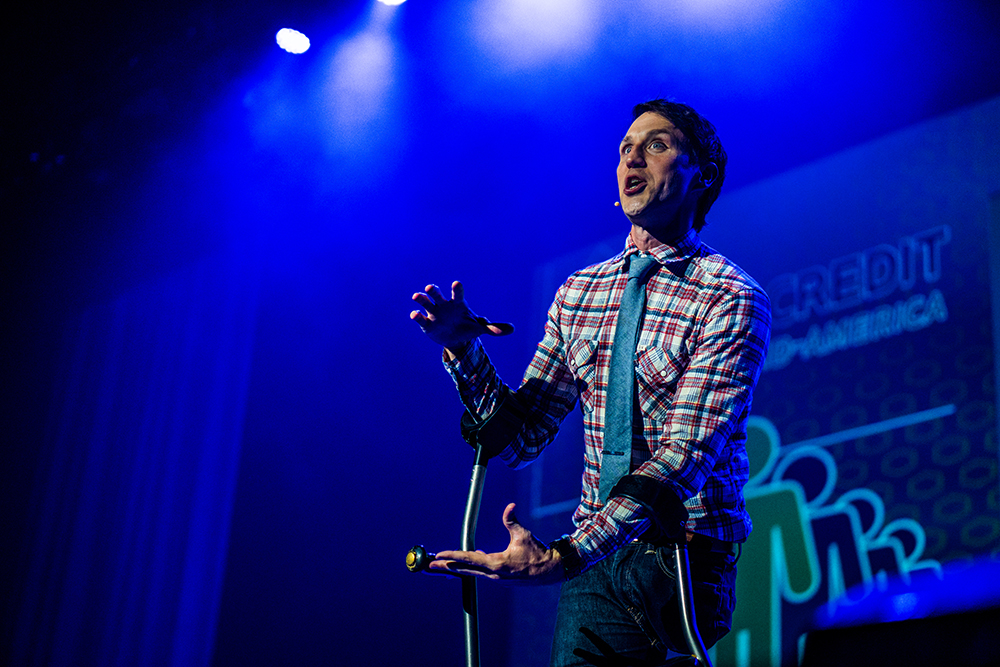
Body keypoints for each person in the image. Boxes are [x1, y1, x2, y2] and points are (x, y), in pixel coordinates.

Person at [410, 99, 771, 666]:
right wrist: (463, 349)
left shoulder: (730, 296)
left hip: (681, 553)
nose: (633, 160)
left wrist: (565, 556)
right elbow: (523, 434)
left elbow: (684, 457)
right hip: (596, 553)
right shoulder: (581, 292)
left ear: (701, 173)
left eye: (656, 145)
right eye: (626, 149)